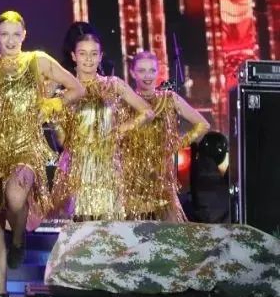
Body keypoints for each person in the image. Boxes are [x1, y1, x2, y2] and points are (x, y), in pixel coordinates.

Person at [0, 11, 84, 297]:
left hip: (27, 147)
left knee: (16, 193)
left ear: (24, 35)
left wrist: (52, 104)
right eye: (4, 34)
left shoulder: (38, 61)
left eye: (15, 34)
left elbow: (77, 88)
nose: (10, 40)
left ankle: (19, 238)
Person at [51, 32, 153, 221]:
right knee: (81, 228)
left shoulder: (113, 85)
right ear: (73, 56)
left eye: (93, 53)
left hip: (108, 167)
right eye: (82, 53)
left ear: (100, 56)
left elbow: (147, 111)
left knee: (109, 229)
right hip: (78, 169)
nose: (88, 59)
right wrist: (56, 120)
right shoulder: (65, 94)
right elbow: (63, 141)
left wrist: (121, 130)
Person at [124, 51, 210, 221]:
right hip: (131, 182)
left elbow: (203, 125)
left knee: (170, 234)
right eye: (141, 70)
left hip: (162, 180)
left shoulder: (169, 99)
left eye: (152, 70)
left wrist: (176, 144)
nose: (147, 76)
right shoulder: (124, 101)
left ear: (158, 72)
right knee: (131, 234)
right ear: (133, 73)